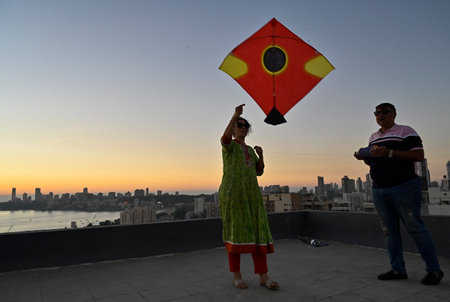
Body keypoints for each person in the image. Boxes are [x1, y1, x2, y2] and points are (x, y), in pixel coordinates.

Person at [354, 102, 444, 285]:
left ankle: (434, 271)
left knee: (416, 228)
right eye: (376, 113)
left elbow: (418, 155)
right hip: (379, 189)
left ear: (394, 114)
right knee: (389, 231)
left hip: (404, 187)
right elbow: (375, 162)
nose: (380, 115)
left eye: (384, 112)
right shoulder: (373, 137)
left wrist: (389, 153)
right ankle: (397, 269)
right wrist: (365, 156)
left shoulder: (406, 131)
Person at [218, 104, 279, 290]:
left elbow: (259, 171)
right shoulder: (230, 147)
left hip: (252, 195)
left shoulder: (250, 150)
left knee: (258, 233)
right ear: (235, 128)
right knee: (234, 233)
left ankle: (263, 276)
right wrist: (235, 114)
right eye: (240, 125)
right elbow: (224, 139)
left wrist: (261, 155)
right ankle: (236, 275)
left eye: (245, 125)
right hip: (233, 195)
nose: (243, 127)